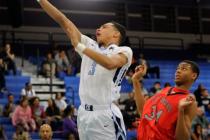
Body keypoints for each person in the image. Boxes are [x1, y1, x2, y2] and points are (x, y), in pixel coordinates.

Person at [37, 0, 133, 140]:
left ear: (116, 34)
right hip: (83, 113)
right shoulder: (91, 45)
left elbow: (110, 63)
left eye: (104, 27)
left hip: (104, 114)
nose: (98, 29)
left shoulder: (124, 51)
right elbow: (64, 21)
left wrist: (80, 47)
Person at [132, 60, 199, 140]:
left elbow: (182, 138)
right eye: (178, 68)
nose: (178, 71)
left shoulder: (189, 102)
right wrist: (135, 80)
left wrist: (181, 110)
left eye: (184, 69)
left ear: (193, 75)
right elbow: (143, 111)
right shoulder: (165, 90)